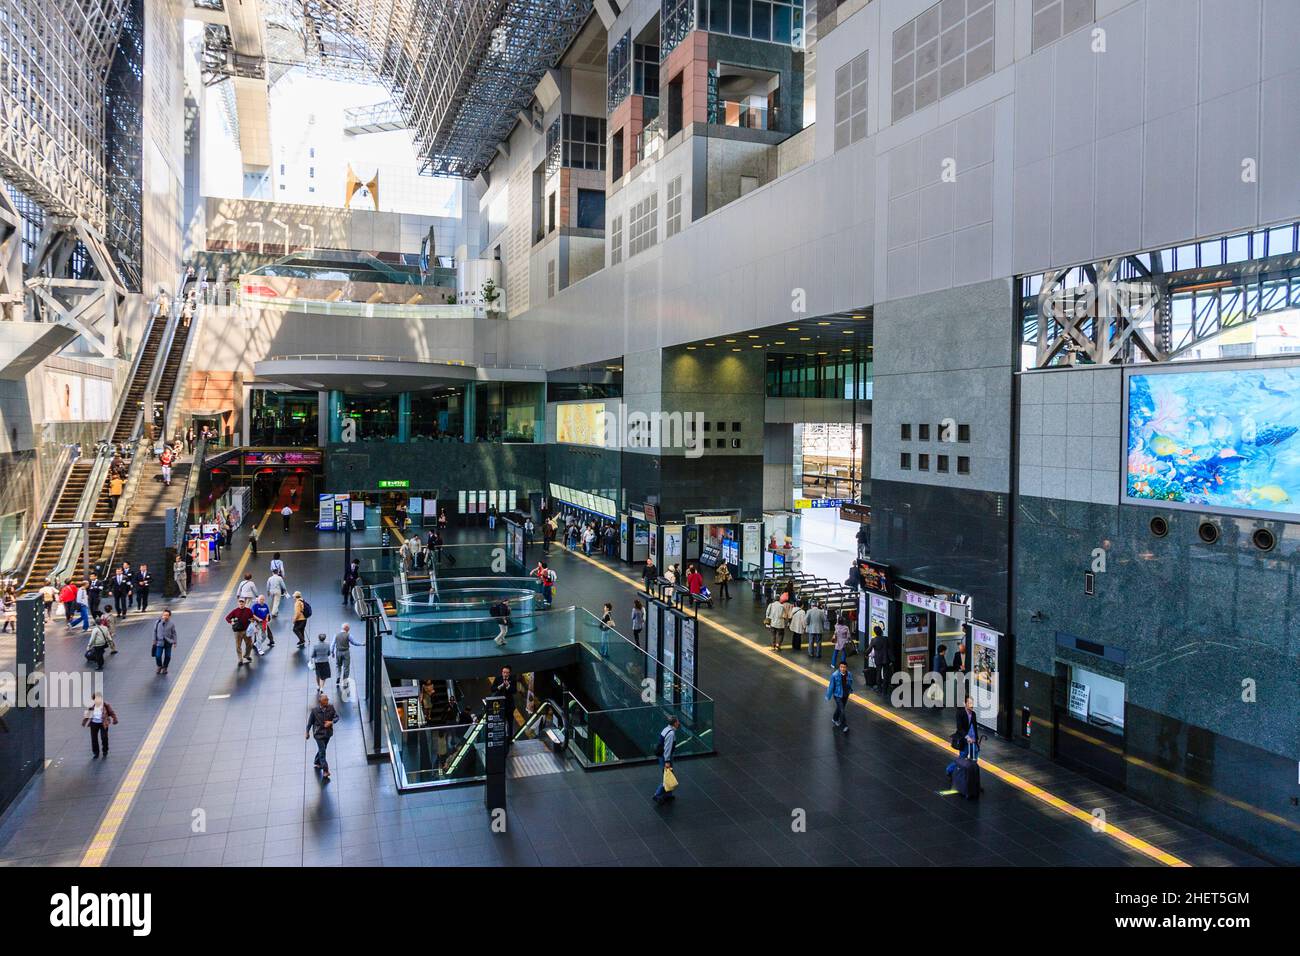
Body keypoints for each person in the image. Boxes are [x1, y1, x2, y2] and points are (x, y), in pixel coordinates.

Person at [946, 696, 980, 787]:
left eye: (972, 703)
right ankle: (949, 770)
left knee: (975, 758)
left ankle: (973, 776)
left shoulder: (973, 714)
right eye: (969, 703)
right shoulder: (960, 714)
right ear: (965, 704)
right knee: (962, 757)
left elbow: (974, 727)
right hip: (964, 740)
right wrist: (967, 737)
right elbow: (960, 728)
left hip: (973, 740)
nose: (971, 705)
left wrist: (976, 739)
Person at [306, 694, 339, 780]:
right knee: (322, 751)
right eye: (325, 700)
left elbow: (337, 717)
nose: (327, 701)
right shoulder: (315, 711)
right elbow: (310, 723)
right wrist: (307, 732)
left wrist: (331, 722)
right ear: (320, 701)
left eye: (327, 699)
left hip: (327, 733)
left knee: (322, 749)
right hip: (318, 734)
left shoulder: (331, 708)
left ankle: (317, 761)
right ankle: (325, 770)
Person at [652, 716, 680, 805]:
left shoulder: (666, 729)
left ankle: (668, 794)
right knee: (668, 776)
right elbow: (667, 748)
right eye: (678, 721)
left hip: (662, 756)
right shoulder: (671, 734)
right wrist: (667, 761)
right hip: (665, 757)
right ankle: (657, 794)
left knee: (668, 775)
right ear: (675, 723)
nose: (679, 723)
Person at [491, 665, 521, 747]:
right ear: (502, 672)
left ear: (509, 673)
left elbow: (514, 691)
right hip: (500, 705)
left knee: (510, 722)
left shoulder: (513, 680)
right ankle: (501, 737)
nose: (505, 674)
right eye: (504, 672)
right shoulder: (498, 679)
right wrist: (499, 687)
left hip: (509, 705)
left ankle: (510, 738)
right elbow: (492, 689)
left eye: (507, 673)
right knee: (501, 722)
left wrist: (508, 686)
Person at [82, 693, 118, 758]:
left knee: (104, 737)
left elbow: (112, 712)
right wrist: (84, 721)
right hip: (94, 724)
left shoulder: (105, 705)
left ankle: (105, 750)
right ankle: (96, 752)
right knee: (94, 739)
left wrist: (115, 719)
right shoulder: (91, 706)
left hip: (103, 723)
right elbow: (88, 714)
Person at [224, 597, 255, 665]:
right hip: (238, 632)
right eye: (240, 603)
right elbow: (227, 618)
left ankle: (247, 655)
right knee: (238, 646)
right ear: (238, 603)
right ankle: (240, 659)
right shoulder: (235, 611)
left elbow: (252, 618)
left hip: (247, 631)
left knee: (249, 644)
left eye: (242, 603)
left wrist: (252, 623)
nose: (241, 604)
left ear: (244, 603)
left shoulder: (248, 610)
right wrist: (231, 622)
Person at [826, 660, 853, 734]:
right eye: (841, 667)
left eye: (844, 667)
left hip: (845, 694)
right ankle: (845, 726)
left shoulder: (849, 674)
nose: (842, 669)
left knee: (840, 708)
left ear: (846, 668)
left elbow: (850, 683)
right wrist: (828, 696)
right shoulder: (834, 675)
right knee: (842, 710)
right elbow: (831, 686)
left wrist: (850, 690)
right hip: (837, 695)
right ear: (839, 667)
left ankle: (834, 719)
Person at [333, 624, 359, 690]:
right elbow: (354, 643)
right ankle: (345, 681)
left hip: (338, 652)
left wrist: (332, 652)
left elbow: (332, 644)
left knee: (338, 665)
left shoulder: (336, 635)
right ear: (347, 629)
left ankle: (338, 677)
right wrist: (362, 644)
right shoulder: (349, 635)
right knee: (346, 667)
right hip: (346, 652)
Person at [152, 609, 177, 675]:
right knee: (158, 656)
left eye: (167, 615)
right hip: (159, 642)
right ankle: (159, 666)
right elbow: (155, 631)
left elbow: (174, 633)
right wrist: (154, 640)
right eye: (164, 615)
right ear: (162, 615)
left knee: (168, 656)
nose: (165, 616)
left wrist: (175, 642)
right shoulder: (158, 622)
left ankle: (165, 667)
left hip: (168, 642)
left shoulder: (171, 624)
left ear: (169, 616)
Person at [868, 625, 891, 696]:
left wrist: (865, 654)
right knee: (886, 674)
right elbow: (889, 649)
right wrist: (892, 659)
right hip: (886, 658)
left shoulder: (874, 640)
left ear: (875, 632)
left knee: (878, 673)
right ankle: (885, 690)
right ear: (881, 631)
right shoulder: (886, 639)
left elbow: (869, 649)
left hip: (878, 659)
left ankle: (879, 688)